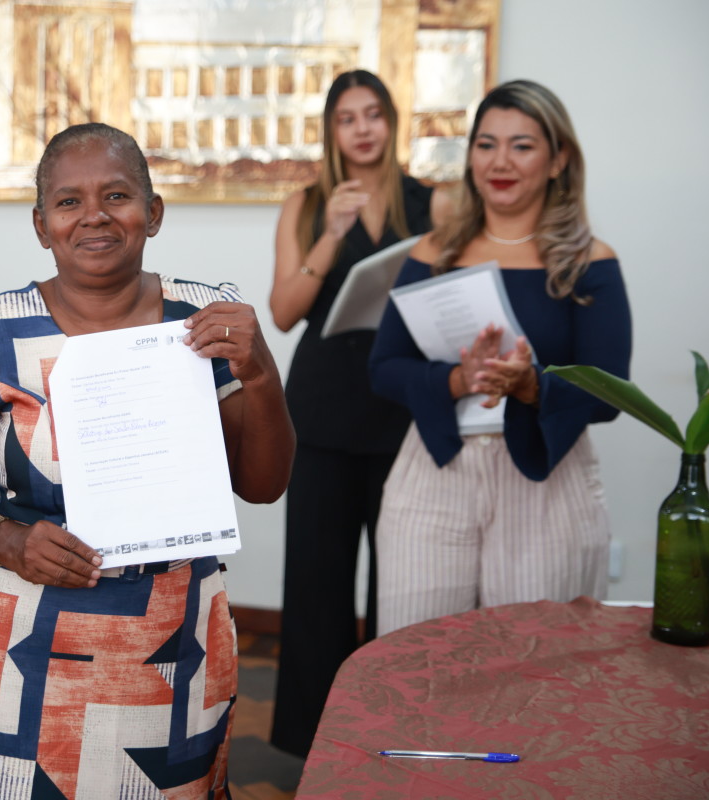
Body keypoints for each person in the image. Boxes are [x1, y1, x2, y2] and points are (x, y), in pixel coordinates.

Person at [0, 122, 294, 798]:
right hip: (22, 653)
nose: (94, 217)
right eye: (68, 202)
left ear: (153, 213)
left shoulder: (202, 320)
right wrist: (3, 538)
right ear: (41, 225)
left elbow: (263, 485)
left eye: (116, 196)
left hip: (174, 654)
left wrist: (260, 373)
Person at [368, 80, 632, 635]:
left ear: (558, 159)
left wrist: (532, 386)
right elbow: (383, 368)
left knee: (535, 662)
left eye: (522, 145)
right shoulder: (435, 252)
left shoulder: (589, 261)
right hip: (435, 473)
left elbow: (611, 392)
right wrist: (459, 379)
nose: (500, 161)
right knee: (417, 656)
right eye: (486, 144)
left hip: (546, 479)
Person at [267, 69, 447, 757]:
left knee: (404, 581)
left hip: (404, 406)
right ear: (332, 130)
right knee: (317, 584)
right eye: (348, 118)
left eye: (374, 114)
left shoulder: (432, 202)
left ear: (392, 121)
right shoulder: (307, 204)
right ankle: (316, 745)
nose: (363, 128)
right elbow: (283, 312)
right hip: (321, 411)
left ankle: (396, 732)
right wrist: (332, 234)